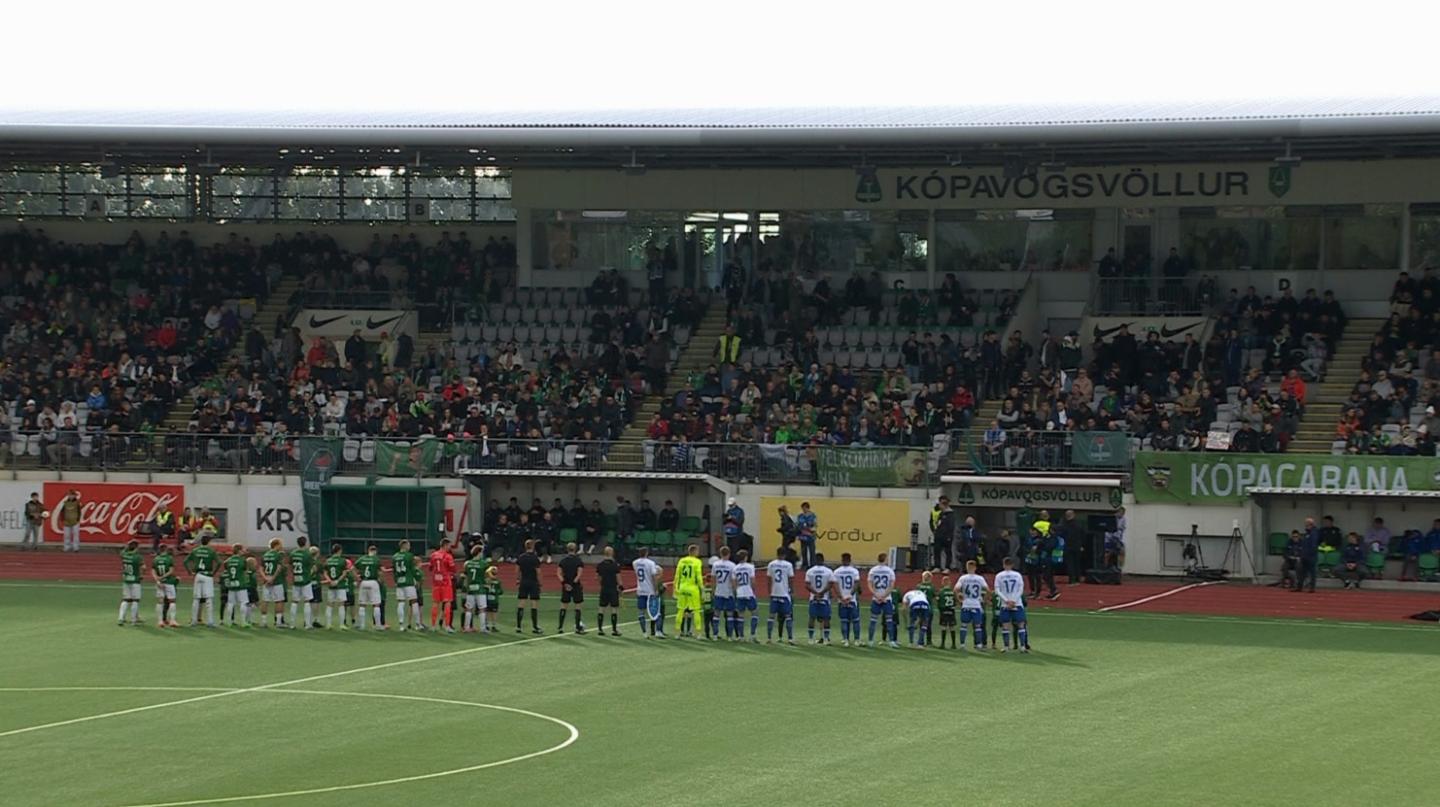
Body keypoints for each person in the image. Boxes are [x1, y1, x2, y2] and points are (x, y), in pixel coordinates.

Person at [994, 556, 1031, 653]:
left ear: (1003, 565)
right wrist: (1014, 601)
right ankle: (1022, 647)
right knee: (1021, 625)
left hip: (1005, 604)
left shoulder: (999, 575)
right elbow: (1020, 589)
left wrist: (1007, 601)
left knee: (1005, 626)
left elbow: (997, 590)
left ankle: (1006, 647)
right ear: (1012, 565)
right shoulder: (1017, 575)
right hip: (1017, 603)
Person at [184, 534, 220, 627]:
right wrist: (214, 573)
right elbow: (219, 562)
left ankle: (194, 621)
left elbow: (185, 561)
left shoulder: (195, 550)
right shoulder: (211, 551)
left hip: (198, 575)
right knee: (209, 599)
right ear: (208, 542)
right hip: (207, 575)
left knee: (196, 598)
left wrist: (190, 572)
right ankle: (210, 621)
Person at [390, 539, 424, 632]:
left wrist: (396, 580)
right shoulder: (409, 556)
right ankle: (417, 624)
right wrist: (418, 578)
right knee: (414, 602)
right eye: (408, 545)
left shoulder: (394, 556)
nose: (409, 547)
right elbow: (413, 569)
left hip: (399, 582)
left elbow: (394, 571)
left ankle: (401, 625)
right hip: (408, 581)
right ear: (404, 546)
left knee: (401, 602)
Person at [955, 559, 989, 650]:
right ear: (975, 568)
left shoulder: (963, 578)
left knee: (964, 625)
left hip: (966, 604)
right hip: (976, 604)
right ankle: (979, 644)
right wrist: (984, 600)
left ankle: (962, 645)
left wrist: (959, 600)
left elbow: (956, 589)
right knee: (978, 626)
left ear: (967, 568)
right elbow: (988, 590)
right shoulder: (980, 578)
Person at [632, 547, 665, 638]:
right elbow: (654, 577)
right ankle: (658, 631)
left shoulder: (635, 563)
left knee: (641, 613)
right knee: (656, 612)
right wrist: (656, 589)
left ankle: (644, 633)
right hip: (650, 591)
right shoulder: (650, 563)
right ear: (646, 553)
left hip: (640, 590)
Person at [866, 553, 898, 648]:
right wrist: (884, 596)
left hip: (876, 598)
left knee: (873, 620)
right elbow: (891, 585)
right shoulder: (889, 570)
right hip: (886, 599)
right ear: (885, 560)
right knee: (889, 620)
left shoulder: (873, 570)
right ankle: (891, 641)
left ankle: (870, 641)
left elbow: (869, 584)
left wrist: (876, 595)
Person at [673, 544, 705, 638]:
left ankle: (677, 632)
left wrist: (675, 589)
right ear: (694, 552)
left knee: (680, 611)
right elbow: (698, 577)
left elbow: (677, 576)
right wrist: (702, 589)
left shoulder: (681, 561)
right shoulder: (697, 562)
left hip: (682, 588)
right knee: (696, 611)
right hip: (693, 588)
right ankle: (698, 632)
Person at [220, 544, 256, 628]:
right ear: (239, 550)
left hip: (231, 583)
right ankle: (243, 622)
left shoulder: (229, 560)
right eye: (242, 550)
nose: (243, 551)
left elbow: (225, 565)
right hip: (241, 583)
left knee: (230, 603)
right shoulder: (242, 560)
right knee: (243, 602)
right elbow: (245, 570)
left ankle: (229, 622)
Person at [765, 547, 795, 644]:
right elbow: (791, 579)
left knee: (771, 616)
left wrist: (769, 591)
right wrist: (792, 591)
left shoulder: (771, 564)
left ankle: (769, 638)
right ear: (785, 555)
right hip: (784, 594)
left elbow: (769, 579)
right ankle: (790, 638)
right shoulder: (788, 565)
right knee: (788, 616)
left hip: (774, 593)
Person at [832, 552, 862, 647]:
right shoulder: (854, 571)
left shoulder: (836, 571)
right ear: (850, 560)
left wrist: (841, 597)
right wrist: (850, 595)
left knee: (844, 620)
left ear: (842, 560)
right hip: (852, 599)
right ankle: (857, 640)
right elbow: (856, 584)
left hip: (842, 600)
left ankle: (845, 639)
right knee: (855, 620)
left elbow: (835, 585)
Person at [803, 552, 834, 644]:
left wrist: (815, 593)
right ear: (823, 560)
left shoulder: (810, 571)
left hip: (814, 597)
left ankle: (810, 639)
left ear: (815, 560)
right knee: (826, 618)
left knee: (812, 618)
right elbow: (830, 584)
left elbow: (807, 585)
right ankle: (826, 639)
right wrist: (822, 593)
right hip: (824, 598)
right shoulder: (828, 571)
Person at [352, 545, 385, 630]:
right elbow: (381, 571)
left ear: (368, 551)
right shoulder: (376, 559)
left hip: (364, 582)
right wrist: (381, 580)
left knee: (362, 605)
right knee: (376, 605)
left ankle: (362, 625)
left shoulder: (362, 559)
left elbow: (353, 568)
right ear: (375, 551)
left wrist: (357, 578)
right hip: (373, 581)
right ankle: (378, 625)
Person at [258, 538, 289, 629]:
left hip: (266, 581)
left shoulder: (265, 555)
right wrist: (273, 578)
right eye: (280, 544)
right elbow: (279, 568)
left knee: (265, 601)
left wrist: (265, 578)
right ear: (276, 545)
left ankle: (264, 621)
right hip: (277, 581)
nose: (281, 546)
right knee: (279, 601)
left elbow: (260, 569)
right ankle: (278, 622)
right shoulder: (278, 555)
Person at [287, 536, 317, 630]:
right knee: (307, 601)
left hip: (296, 580)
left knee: (294, 602)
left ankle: (292, 624)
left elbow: (289, 565)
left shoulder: (293, 553)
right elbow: (314, 567)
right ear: (305, 543)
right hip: (306, 580)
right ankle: (308, 624)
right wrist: (310, 573)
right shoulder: (307, 554)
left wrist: (292, 576)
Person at [427, 539, 457, 632]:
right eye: (449, 546)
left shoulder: (433, 555)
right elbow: (453, 568)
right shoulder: (448, 556)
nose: (450, 547)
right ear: (445, 545)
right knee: (447, 603)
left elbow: (430, 568)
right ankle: (447, 626)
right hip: (446, 582)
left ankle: (433, 625)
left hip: (436, 582)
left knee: (435, 603)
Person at [557, 542, 585, 634]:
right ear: (575, 549)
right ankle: (577, 627)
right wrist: (573, 584)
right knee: (578, 605)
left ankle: (560, 627)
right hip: (575, 585)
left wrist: (565, 583)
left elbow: (559, 573)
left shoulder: (563, 561)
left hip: (566, 585)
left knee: (564, 605)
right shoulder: (578, 561)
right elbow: (579, 574)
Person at [710, 546, 738, 640]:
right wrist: (735, 591)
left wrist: (713, 590)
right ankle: (729, 636)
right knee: (729, 614)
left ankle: (715, 635)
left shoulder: (715, 564)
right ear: (729, 554)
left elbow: (713, 579)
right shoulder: (732, 565)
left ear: (720, 554)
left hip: (718, 591)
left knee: (716, 614)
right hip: (728, 592)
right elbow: (733, 580)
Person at [516, 539, 543, 634]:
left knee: (521, 603)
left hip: (524, 581)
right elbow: (538, 572)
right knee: (534, 604)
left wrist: (518, 580)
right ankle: (535, 626)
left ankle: (518, 626)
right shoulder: (535, 558)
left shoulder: (521, 557)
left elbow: (517, 570)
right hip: (533, 582)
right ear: (533, 547)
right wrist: (540, 583)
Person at [323, 544, 353, 629]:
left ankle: (328, 624)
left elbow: (325, 573)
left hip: (331, 585)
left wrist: (330, 581)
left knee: (330, 604)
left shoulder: (328, 560)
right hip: (340, 585)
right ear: (339, 550)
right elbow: (344, 573)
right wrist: (337, 581)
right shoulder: (343, 561)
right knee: (341, 604)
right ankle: (341, 624)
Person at [462, 544, 490, 633]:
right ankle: (483, 628)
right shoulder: (483, 563)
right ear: (479, 552)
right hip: (480, 588)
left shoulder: (467, 563)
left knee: (469, 608)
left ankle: (466, 627)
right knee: (482, 608)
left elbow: (464, 576)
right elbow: (487, 576)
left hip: (470, 588)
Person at [595, 546, 622, 636]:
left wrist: (602, 583)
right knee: (614, 608)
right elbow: (618, 577)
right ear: (612, 553)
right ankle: (614, 630)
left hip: (604, 588)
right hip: (613, 588)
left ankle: (600, 629)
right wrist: (620, 586)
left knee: (601, 608)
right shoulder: (615, 565)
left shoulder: (600, 565)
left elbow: (598, 577)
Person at [151, 543, 180, 627]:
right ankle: (172, 621)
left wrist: (158, 580)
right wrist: (163, 577)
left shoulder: (156, 559)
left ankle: (160, 621)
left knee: (160, 601)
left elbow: (153, 571)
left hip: (160, 583)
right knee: (172, 601)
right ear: (165, 549)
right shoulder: (169, 558)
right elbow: (171, 571)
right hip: (169, 582)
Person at [733, 549, 759, 642]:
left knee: (740, 615)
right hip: (749, 592)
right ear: (745, 557)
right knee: (754, 613)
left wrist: (736, 592)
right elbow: (752, 581)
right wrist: (754, 591)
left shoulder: (735, 568)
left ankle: (741, 636)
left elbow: (734, 582)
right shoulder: (750, 567)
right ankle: (752, 635)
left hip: (740, 593)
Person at [118, 539, 145, 626]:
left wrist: (128, 546)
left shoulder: (124, 555)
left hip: (126, 579)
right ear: (136, 547)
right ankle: (134, 619)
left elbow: (121, 553)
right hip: (135, 580)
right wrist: (142, 575)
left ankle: (121, 618)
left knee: (125, 599)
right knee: (135, 600)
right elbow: (143, 567)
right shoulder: (138, 557)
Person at [1294, 517, 1319, 593]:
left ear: (1310, 524)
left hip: (1311, 556)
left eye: (1307, 524)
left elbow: (1313, 545)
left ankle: (1312, 588)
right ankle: (1300, 587)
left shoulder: (1314, 533)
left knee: (1312, 572)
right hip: (1304, 556)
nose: (1305, 525)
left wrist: (1309, 554)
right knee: (1302, 572)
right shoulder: (1307, 533)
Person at [901, 584, 930, 648]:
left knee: (912, 622)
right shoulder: (922, 593)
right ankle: (920, 644)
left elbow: (903, 609)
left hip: (914, 604)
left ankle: (911, 643)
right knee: (924, 624)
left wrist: (906, 623)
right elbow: (921, 615)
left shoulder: (906, 594)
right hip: (925, 605)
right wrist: (917, 623)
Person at [930, 496, 954, 571]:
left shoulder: (950, 514)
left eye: (943, 503)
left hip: (946, 536)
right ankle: (937, 566)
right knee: (937, 551)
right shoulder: (939, 513)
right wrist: (935, 531)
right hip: (938, 535)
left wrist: (949, 536)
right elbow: (933, 522)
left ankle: (947, 567)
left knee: (947, 551)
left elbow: (951, 526)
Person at [935, 574, 958, 649]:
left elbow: (938, 601)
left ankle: (942, 644)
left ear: (942, 583)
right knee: (952, 627)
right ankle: (953, 644)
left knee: (943, 627)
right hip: (951, 610)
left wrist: (939, 607)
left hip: (943, 610)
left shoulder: (941, 592)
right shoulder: (953, 591)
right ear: (950, 583)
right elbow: (956, 600)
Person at [1104, 507, 1127, 575]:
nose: (1122, 514)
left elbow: (1122, 528)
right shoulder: (1112, 518)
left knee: (1121, 552)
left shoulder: (1124, 519)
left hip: (1118, 538)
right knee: (1108, 553)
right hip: (1109, 538)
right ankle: (1105, 567)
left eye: (1123, 513)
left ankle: (1119, 567)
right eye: (1121, 513)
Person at [700, 574, 718, 640]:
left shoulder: (703, 587)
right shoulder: (713, 587)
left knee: (706, 622)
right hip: (712, 606)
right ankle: (715, 634)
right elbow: (714, 596)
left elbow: (702, 598)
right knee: (713, 621)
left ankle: (707, 635)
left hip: (706, 606)